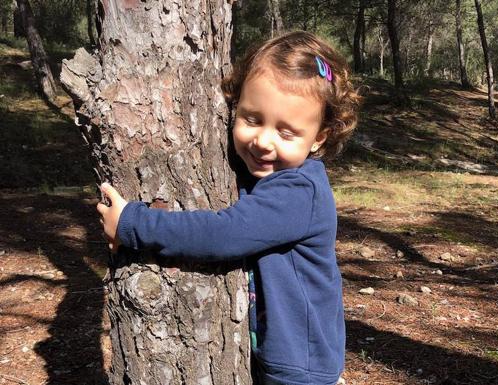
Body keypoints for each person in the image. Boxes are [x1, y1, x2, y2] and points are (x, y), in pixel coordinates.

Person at [97, 31, 361, 385]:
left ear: (319, 137)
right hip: (285, 358)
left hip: (301, 368)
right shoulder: (267, 176)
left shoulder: (299, 191)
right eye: (252, 119)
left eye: (286, 132)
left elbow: (223, 233)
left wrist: (133, 223)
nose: (263, 141)